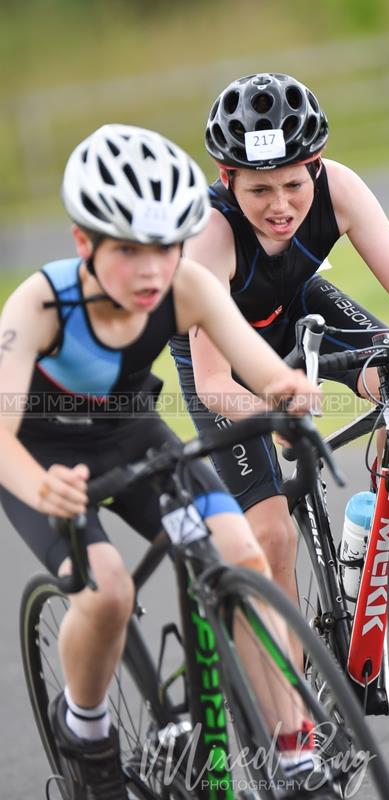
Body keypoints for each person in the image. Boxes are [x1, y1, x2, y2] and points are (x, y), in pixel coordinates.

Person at [0, 124, 324, 800]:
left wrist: (288, 393)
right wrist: (41, 486)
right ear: (83, 242)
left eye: (166, 248)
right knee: (109, 588)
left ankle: (292, 751)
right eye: (128, 251)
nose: (151, 271)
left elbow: (260, 368)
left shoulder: (187, 286)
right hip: (40, 456)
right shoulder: (40, 303)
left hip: (129, 433)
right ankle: (84, 727)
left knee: (241, 552)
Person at [171, 71, 389, 614]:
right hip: (221, 354)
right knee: (272, 538)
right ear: (226, 179)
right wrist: (280, 416)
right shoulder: (210, 235)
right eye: (259, 189)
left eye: (294, 184)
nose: (281, 207)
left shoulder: (339, 189)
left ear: (316, 166)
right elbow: (214, 383)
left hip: (296, 305)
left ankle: (374, 533)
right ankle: (294, 698)